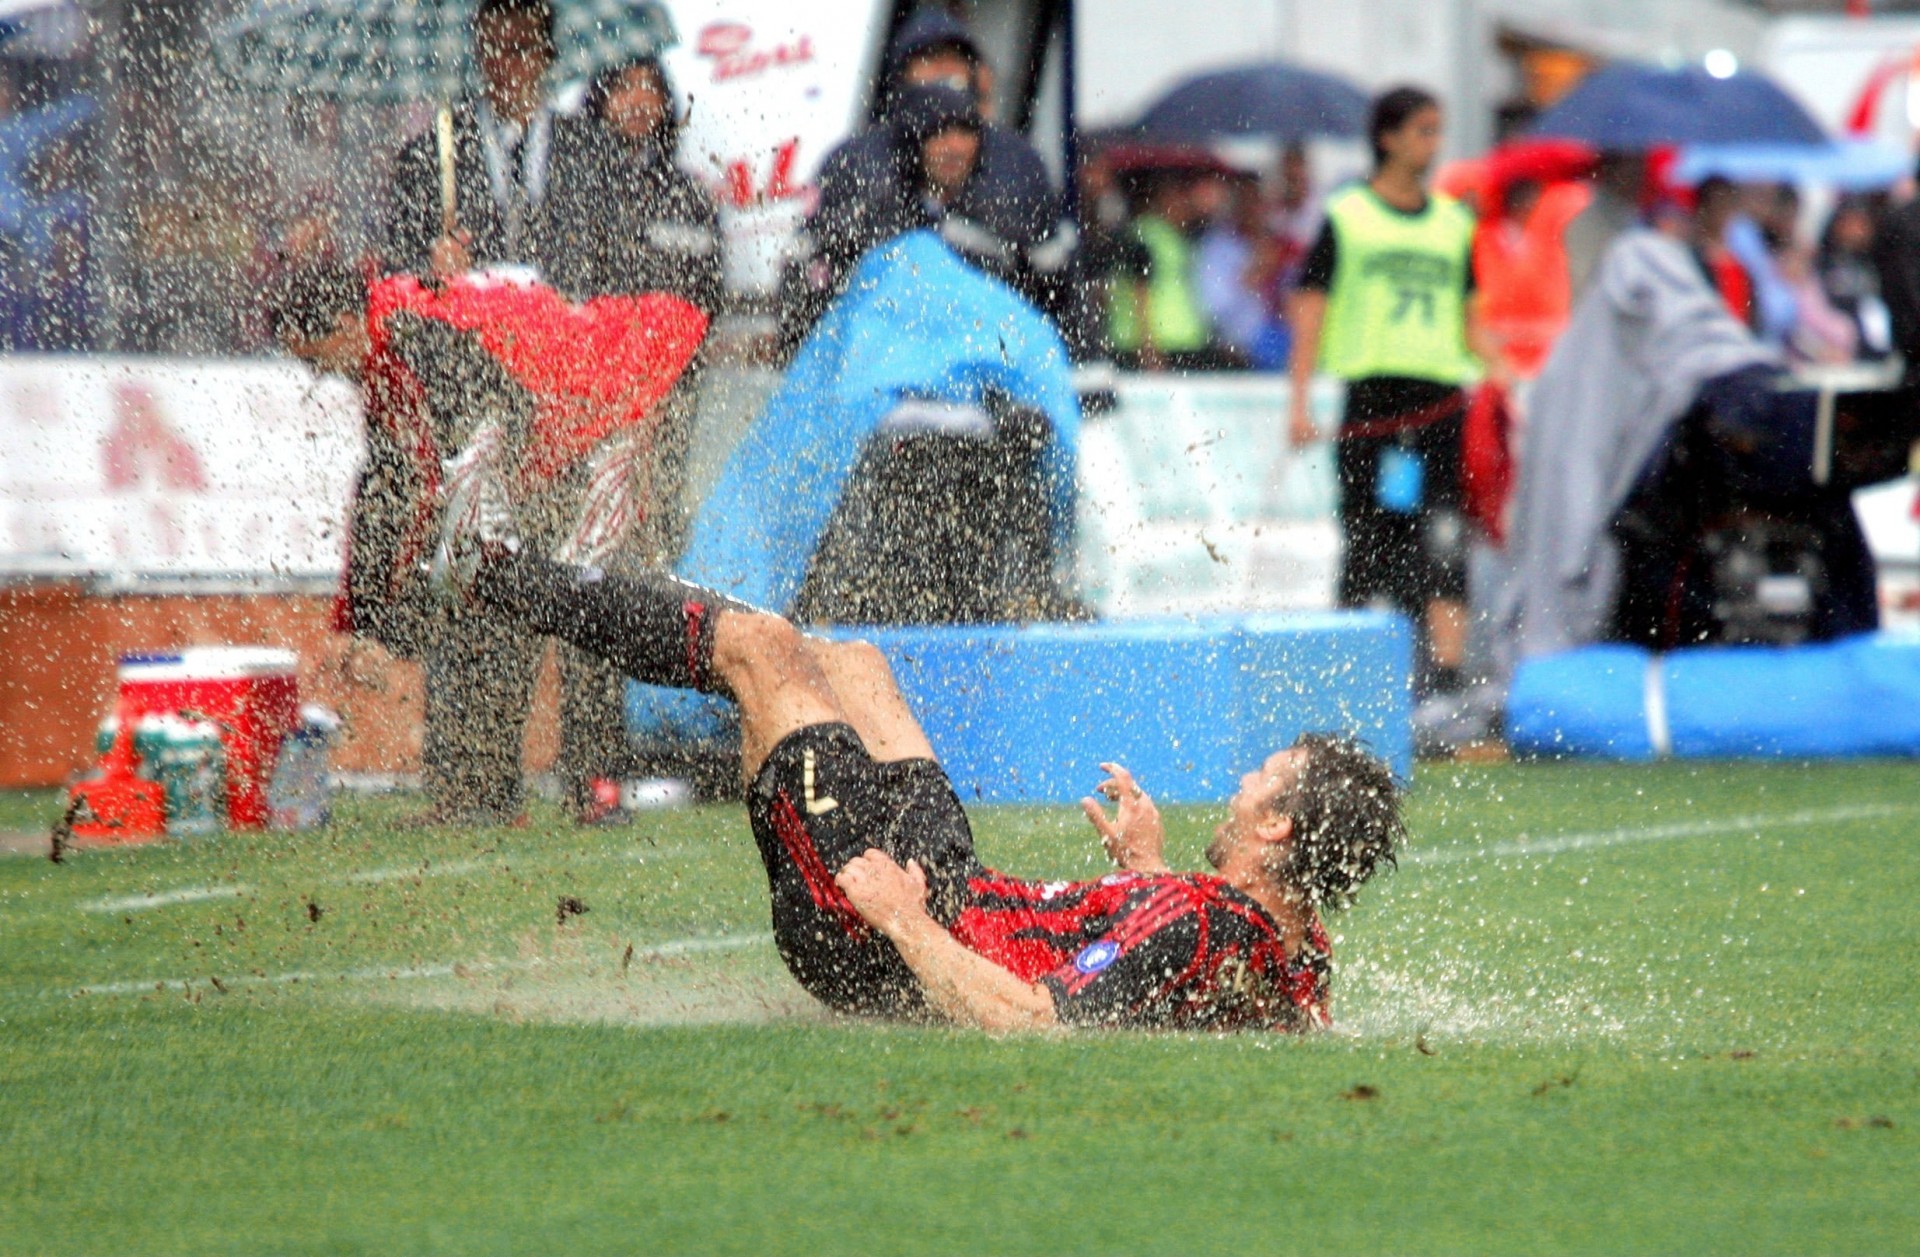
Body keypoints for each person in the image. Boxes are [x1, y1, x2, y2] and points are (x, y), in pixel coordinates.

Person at [434, 455, 1404, 1031]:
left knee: (765, 653)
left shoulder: (1202, 924)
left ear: (1273, 827)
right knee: (853, 664)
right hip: (955, 885)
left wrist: (901, 921)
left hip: (879, 935)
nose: (1244, 775)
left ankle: (487, 573)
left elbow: (1037, 1025)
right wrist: (1143, 872)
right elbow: (1223, 996)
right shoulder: (1291, 942)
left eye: (1264, 775)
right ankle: (607, 585)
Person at [376, 0, 675, 825]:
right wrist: (433, 270)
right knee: (477, 589)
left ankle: (595, 780)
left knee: (591, 593)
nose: (509, 59)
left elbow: (626, 274)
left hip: (576, 409)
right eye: (496, 43)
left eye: (524, 44)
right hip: (480, 410)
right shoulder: (430, 156)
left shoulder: (594, 152)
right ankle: (475, 782)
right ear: (478, 49)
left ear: (548, 54)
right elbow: (397, 286)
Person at [1287, 86, 1497, 697]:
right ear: (1388, 137)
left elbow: (1472, 322)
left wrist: (1509, 376)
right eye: (1423, 130)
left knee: (1446, 538)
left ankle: (1449, 684)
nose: (1434, 144)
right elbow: (1310, 309)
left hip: (1437, 401)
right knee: (1368, 535)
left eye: (1438, 131)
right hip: (1372, 403)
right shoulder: (1348, 216)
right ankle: (1354, 680)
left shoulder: (1454, 223)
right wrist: (1298, 405)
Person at [780, 9, 1085, 358]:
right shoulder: (855, 162)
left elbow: (1055, 282)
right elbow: (808, 267)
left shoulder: (1017, 165)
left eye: (954, 61)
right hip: (873, 358)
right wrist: (806, 354)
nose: (943, 73)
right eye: (929, 60)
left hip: (986, 358)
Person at [1108, 170, 1221, 371]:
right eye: (1179, 197)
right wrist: (1148, 347)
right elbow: (1140, 289)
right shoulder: (1145, 236)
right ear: (1163, 200)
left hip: (1181, 340)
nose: (1185, 205)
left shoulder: (1176, 235)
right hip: (1156, 344)